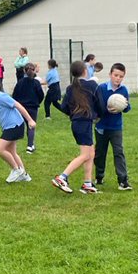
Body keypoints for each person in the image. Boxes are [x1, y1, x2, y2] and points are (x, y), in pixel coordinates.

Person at [52, 60, 101, 195]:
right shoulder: (92, 85)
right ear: (85, 71)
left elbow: (64, 107)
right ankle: (62, 177)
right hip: (84, 123)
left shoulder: (70, 88)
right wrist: (100, 114)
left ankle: (87, 183)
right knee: (85, 155)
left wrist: (74, 114)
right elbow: (99, 103)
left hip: (78, 123)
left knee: (91, 153)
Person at [0, 74, 34, 184]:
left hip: (16, 125)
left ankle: (16, 170)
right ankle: (25, 175)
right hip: (7, 127)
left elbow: (18, 106)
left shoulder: (0, 96)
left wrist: (30, 120)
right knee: (12, 152)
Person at [94, 62, 132, 191]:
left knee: (119, 152)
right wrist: (107, 110)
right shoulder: (102, 88)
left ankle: (123, 181)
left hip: (116, 127)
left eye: (121, 76)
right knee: (100, 153)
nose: (118, 78)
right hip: (101, 126)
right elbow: (97, 107)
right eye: (116, 75)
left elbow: (127, 108)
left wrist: (123, 106)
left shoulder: (123, 90)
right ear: (110, 74)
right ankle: (99, 176)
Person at [12, 63, 44, 154]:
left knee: (21, 125)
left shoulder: (20, 82)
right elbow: (41, 95)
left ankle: (20, 144)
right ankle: (30, 146)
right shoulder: (36, 83)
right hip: (33, 107)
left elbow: (15, 95)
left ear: (24, 71)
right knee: (31, 127)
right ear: (34, 71)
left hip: (21, 107)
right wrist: (37, 102)